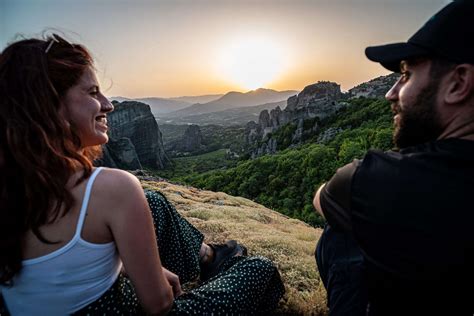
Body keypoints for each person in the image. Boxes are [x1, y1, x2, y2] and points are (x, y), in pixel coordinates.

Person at [0, 33, 285, 315]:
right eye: (91, 92)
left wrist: (128, 267)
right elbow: (158, 304)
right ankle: (218, 266)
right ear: (49, 105)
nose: (108, 104)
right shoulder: (113, 188)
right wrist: (155, 280)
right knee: (257, 270)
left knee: (154, 203)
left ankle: (208, 258)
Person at [313, 0, 474, 315]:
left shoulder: (384, 181)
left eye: (406, 74)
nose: (391, 92)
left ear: (458, 83)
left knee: (341, 232)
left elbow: (323, 199)